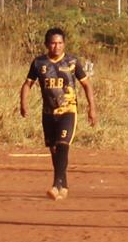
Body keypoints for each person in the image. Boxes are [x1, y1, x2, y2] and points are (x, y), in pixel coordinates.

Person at [19, 27, 97, 201]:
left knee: (63, 145)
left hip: (68, 111)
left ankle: (56, 185)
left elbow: (86, 84)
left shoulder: (72, 62)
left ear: (64, 44)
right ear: (47, 44)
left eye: (60, 43)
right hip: (48, 114)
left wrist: (92, 108)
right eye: (53, 43)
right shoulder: (39, 63)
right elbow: (27, 84)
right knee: (54, 149)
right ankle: (64, 186)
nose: (57, 46)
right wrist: (23, 103)